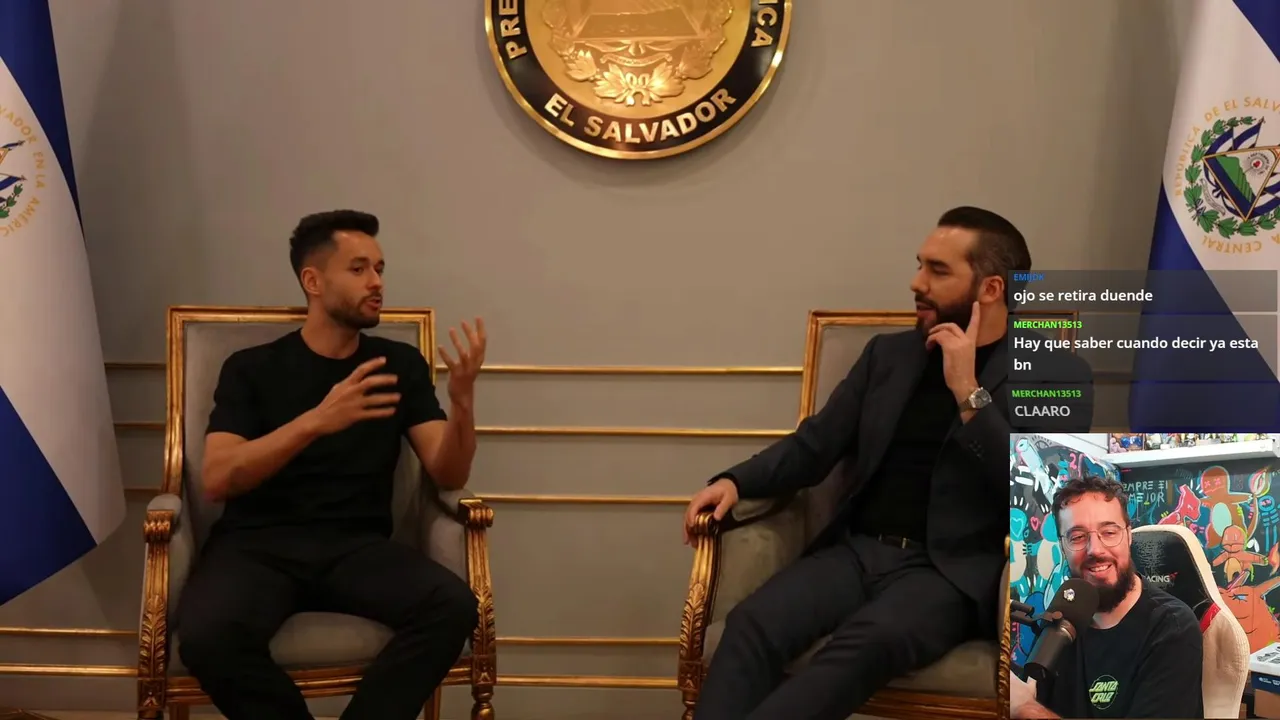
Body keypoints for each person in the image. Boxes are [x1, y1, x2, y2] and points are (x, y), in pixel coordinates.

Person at [683, 207, 1094, 720]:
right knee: (751, 625)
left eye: (937, 271)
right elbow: (816, 444)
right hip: (857, 553)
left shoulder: (1055, 374)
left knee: (867, 643)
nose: (917, 282)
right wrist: (736, 481)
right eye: (921, 265)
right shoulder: (889, 356)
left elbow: (1040, 492)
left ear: (991, 289)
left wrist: (968, 392)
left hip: (949, 575)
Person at [175, 210, 486, 720]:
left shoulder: (397, 365)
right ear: (313, 281)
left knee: (452, 606)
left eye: (379, 269)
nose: (377, 282)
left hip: (355, 547)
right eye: (358, 269)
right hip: (257, 547)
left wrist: (463, 402)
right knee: (208, 636)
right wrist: (316, 421)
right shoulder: (252, 368)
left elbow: (448, 473)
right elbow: (218, 478)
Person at [1009, 475, 1203, 719]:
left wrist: (1025, 709)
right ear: (1062, 546)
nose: (1095, 549)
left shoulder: (1172, 627)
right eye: (1077, 537)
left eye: (1109, 532)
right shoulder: (1061, 622)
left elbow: (1030, 708)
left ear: (1129, 536)